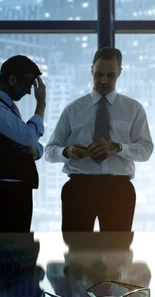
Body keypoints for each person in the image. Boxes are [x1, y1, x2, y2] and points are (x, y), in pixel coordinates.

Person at [45, 47, 153, 231]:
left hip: (119, 191)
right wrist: (67, 151)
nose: (103, 81)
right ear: (91, 71)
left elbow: (145, 151)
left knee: (117, 253)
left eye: (110, 75)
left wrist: (117, 147)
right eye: (98, 74)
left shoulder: (134, 109)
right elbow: (49, 151)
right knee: (76, 253)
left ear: (120, 72)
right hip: (78, 189)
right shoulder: (73, 109)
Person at [0, 55, 46, 232]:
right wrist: (41, 104)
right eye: (27, 84)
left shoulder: (6, 108)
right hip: (7, 194)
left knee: (19, 253)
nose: (29, 92)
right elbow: (29, 137)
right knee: (13, 254)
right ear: (12, 79)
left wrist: (36, 150)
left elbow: (33, 145)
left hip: (16, 191)